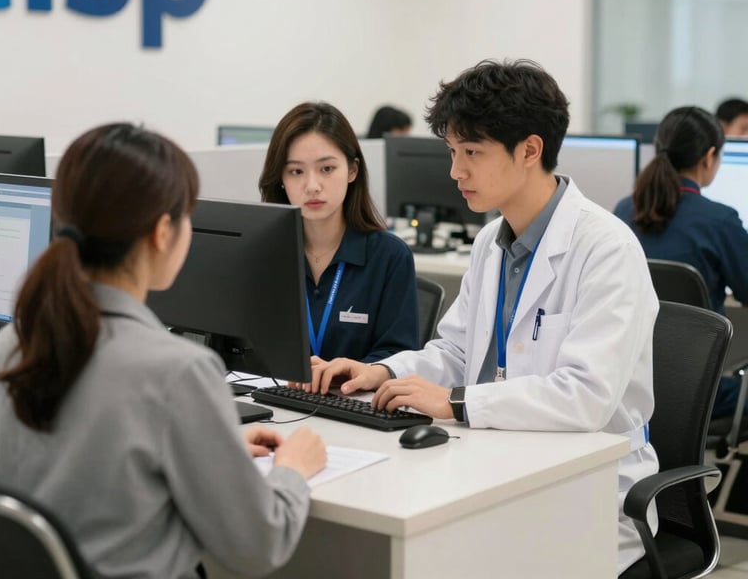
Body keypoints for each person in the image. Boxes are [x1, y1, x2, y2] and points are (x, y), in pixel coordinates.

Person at [310, 60, 659, 574]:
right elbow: (454, 350)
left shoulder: (605, 248)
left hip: (589, 488)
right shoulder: (490, 243)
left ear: (530, 150)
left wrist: (455, 401)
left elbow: (585, 396)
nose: (456, 171)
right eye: (453, 152)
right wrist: (385, 372)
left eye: (471, 153)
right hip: (494, 461)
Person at [0, 123, 327, 579]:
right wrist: (292, 470)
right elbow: (260, 546)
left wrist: (210, 447)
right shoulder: (177, 373)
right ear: (163, 232)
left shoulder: (14, 345)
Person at [614, 105, 748, 418]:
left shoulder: (623, 210)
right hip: (697, 392)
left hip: (627, 386)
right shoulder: (719, 220)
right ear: (709, 156)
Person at [259, 101, 419, 362]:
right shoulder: (264, 255)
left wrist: (356, 373)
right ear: (281, 179)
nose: (312, 186)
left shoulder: (389, 257)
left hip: (354, 399)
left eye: (327, 169)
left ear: (352, 170)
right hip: (275, 400)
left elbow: (398, 356)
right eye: (296, 171)